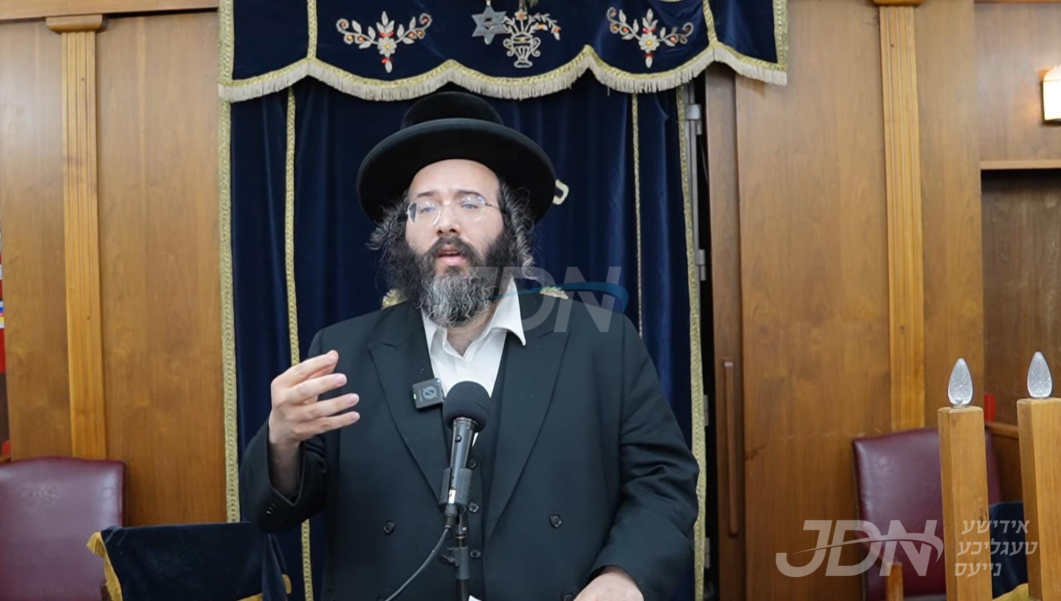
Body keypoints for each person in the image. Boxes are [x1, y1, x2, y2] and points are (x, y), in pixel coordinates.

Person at [240, 91, 699, 601]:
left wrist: (623, 576)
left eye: (470, 202)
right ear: (403, 232)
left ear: (512, 224)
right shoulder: (343, 352)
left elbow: (664, 484)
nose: (446, 222)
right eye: (425, 207)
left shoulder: (602, 345)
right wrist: (282, 440)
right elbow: (275, 513)